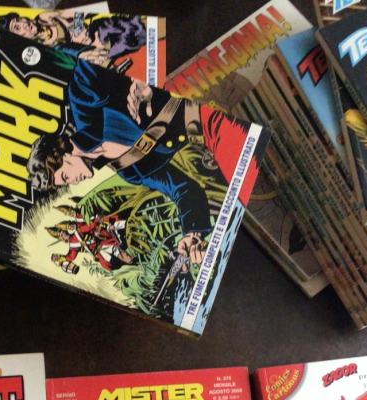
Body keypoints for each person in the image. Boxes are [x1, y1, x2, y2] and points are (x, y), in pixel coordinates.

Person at [28, 58, 254, 272]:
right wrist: (192, 234)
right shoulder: (129, 170)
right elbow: (183, 188)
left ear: (62, 155)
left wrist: (140, 80)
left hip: (195, 74)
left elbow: (92, 59)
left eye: (65, 176)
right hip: (217, 123)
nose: (73, 181)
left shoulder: (84, 104)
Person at [0, 10, 145, 69]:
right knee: (128, 42)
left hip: (97, 31)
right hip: (98, 52)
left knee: (131, 28)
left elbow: (78, 12)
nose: (23, 24)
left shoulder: (44, 18)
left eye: (19, 19)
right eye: (17, 27)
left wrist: (78, 29)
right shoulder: (40, 51)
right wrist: (87, 49)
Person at [48, 208, 134, 274]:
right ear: (63, 239)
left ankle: (129, 224)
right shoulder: (73, 246)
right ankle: (130, 262)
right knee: (109, 261)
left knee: (114, 234)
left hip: (102, 240)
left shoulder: (78, 231)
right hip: (99, 251)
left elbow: (90, 227)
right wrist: (60, 258)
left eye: (63, 231)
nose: (64, 233)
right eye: (62, 234)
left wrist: (96, 220)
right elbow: (71, 257)